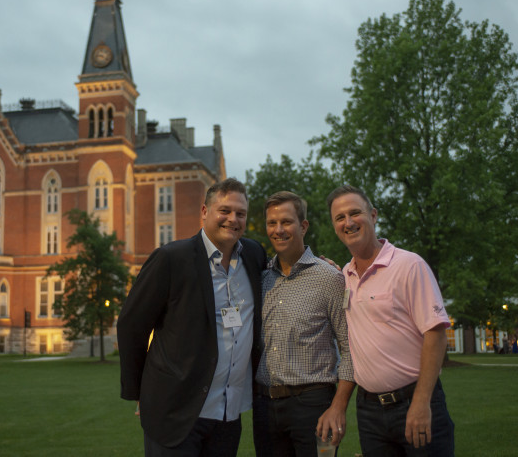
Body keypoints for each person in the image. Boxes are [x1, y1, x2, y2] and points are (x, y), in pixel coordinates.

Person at [117, 178, 267, 456]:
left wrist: (319, 266)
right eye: (225, 210)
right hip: (175, 412)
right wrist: (141, 392)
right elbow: (131, 326)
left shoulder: (255, 255)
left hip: (228, 415)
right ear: (204, 211)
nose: (233, 219)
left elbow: (284, 272)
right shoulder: (171, 259)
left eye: (241, 213)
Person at [327, 185, 454, 456]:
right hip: (369, 411)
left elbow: (436, 333)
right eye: (339, 218)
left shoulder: (409, 265)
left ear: (373, 215)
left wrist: (421, 402)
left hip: (414, 402)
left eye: (355, 213)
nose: (348, 222)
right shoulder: (345, 275)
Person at [252, 191, 355, 457]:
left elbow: (351, 349)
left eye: (286, 222)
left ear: (303, 226)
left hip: (314, 404)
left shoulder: (329, 279)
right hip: (265, 405)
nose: (278, 230)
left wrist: (338, 406)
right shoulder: (260, 279)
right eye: (272, 223)